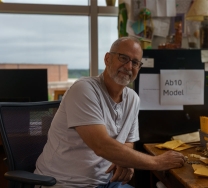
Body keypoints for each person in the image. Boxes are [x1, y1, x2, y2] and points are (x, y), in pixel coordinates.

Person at [34, 36, 186, 188]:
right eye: (123, 58)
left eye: (135, 62)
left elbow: (128, 141)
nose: (128, 66)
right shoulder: (84, 89)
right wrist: (157, 162)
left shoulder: (133, 99)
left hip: (107, 182)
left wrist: (123, 160)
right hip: (63, 183)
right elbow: (101, 145)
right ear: (107, 59)